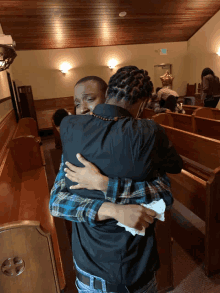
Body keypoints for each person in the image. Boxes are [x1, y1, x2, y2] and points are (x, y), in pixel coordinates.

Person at [50, 67, 182, 293]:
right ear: (141, 103)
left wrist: (105, 184)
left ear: (107, 95)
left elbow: (164, 195)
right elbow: (56, 202)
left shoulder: (71, 129)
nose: (82, 108)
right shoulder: (146, 131)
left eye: (89, 100)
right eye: (77, 102)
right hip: (102, 267)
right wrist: (112, 209)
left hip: (126, 267)